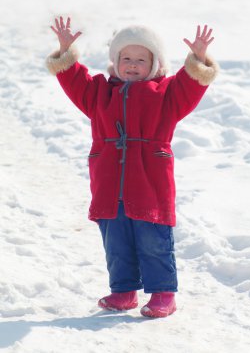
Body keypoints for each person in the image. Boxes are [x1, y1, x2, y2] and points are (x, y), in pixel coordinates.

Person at [46, 17, 218, 318]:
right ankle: (123, 291)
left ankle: (163, 293)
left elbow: (188, 87)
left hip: (149, 181)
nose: (133, 65)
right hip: (109, 182)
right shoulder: (100, 92)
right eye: (126, 58)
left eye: (141, 59)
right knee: (116, 242)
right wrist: (65, 53)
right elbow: (76, 83)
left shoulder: (164, 94)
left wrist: (198, 59)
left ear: (154, 64)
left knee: (153, 240)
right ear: (116, 62)